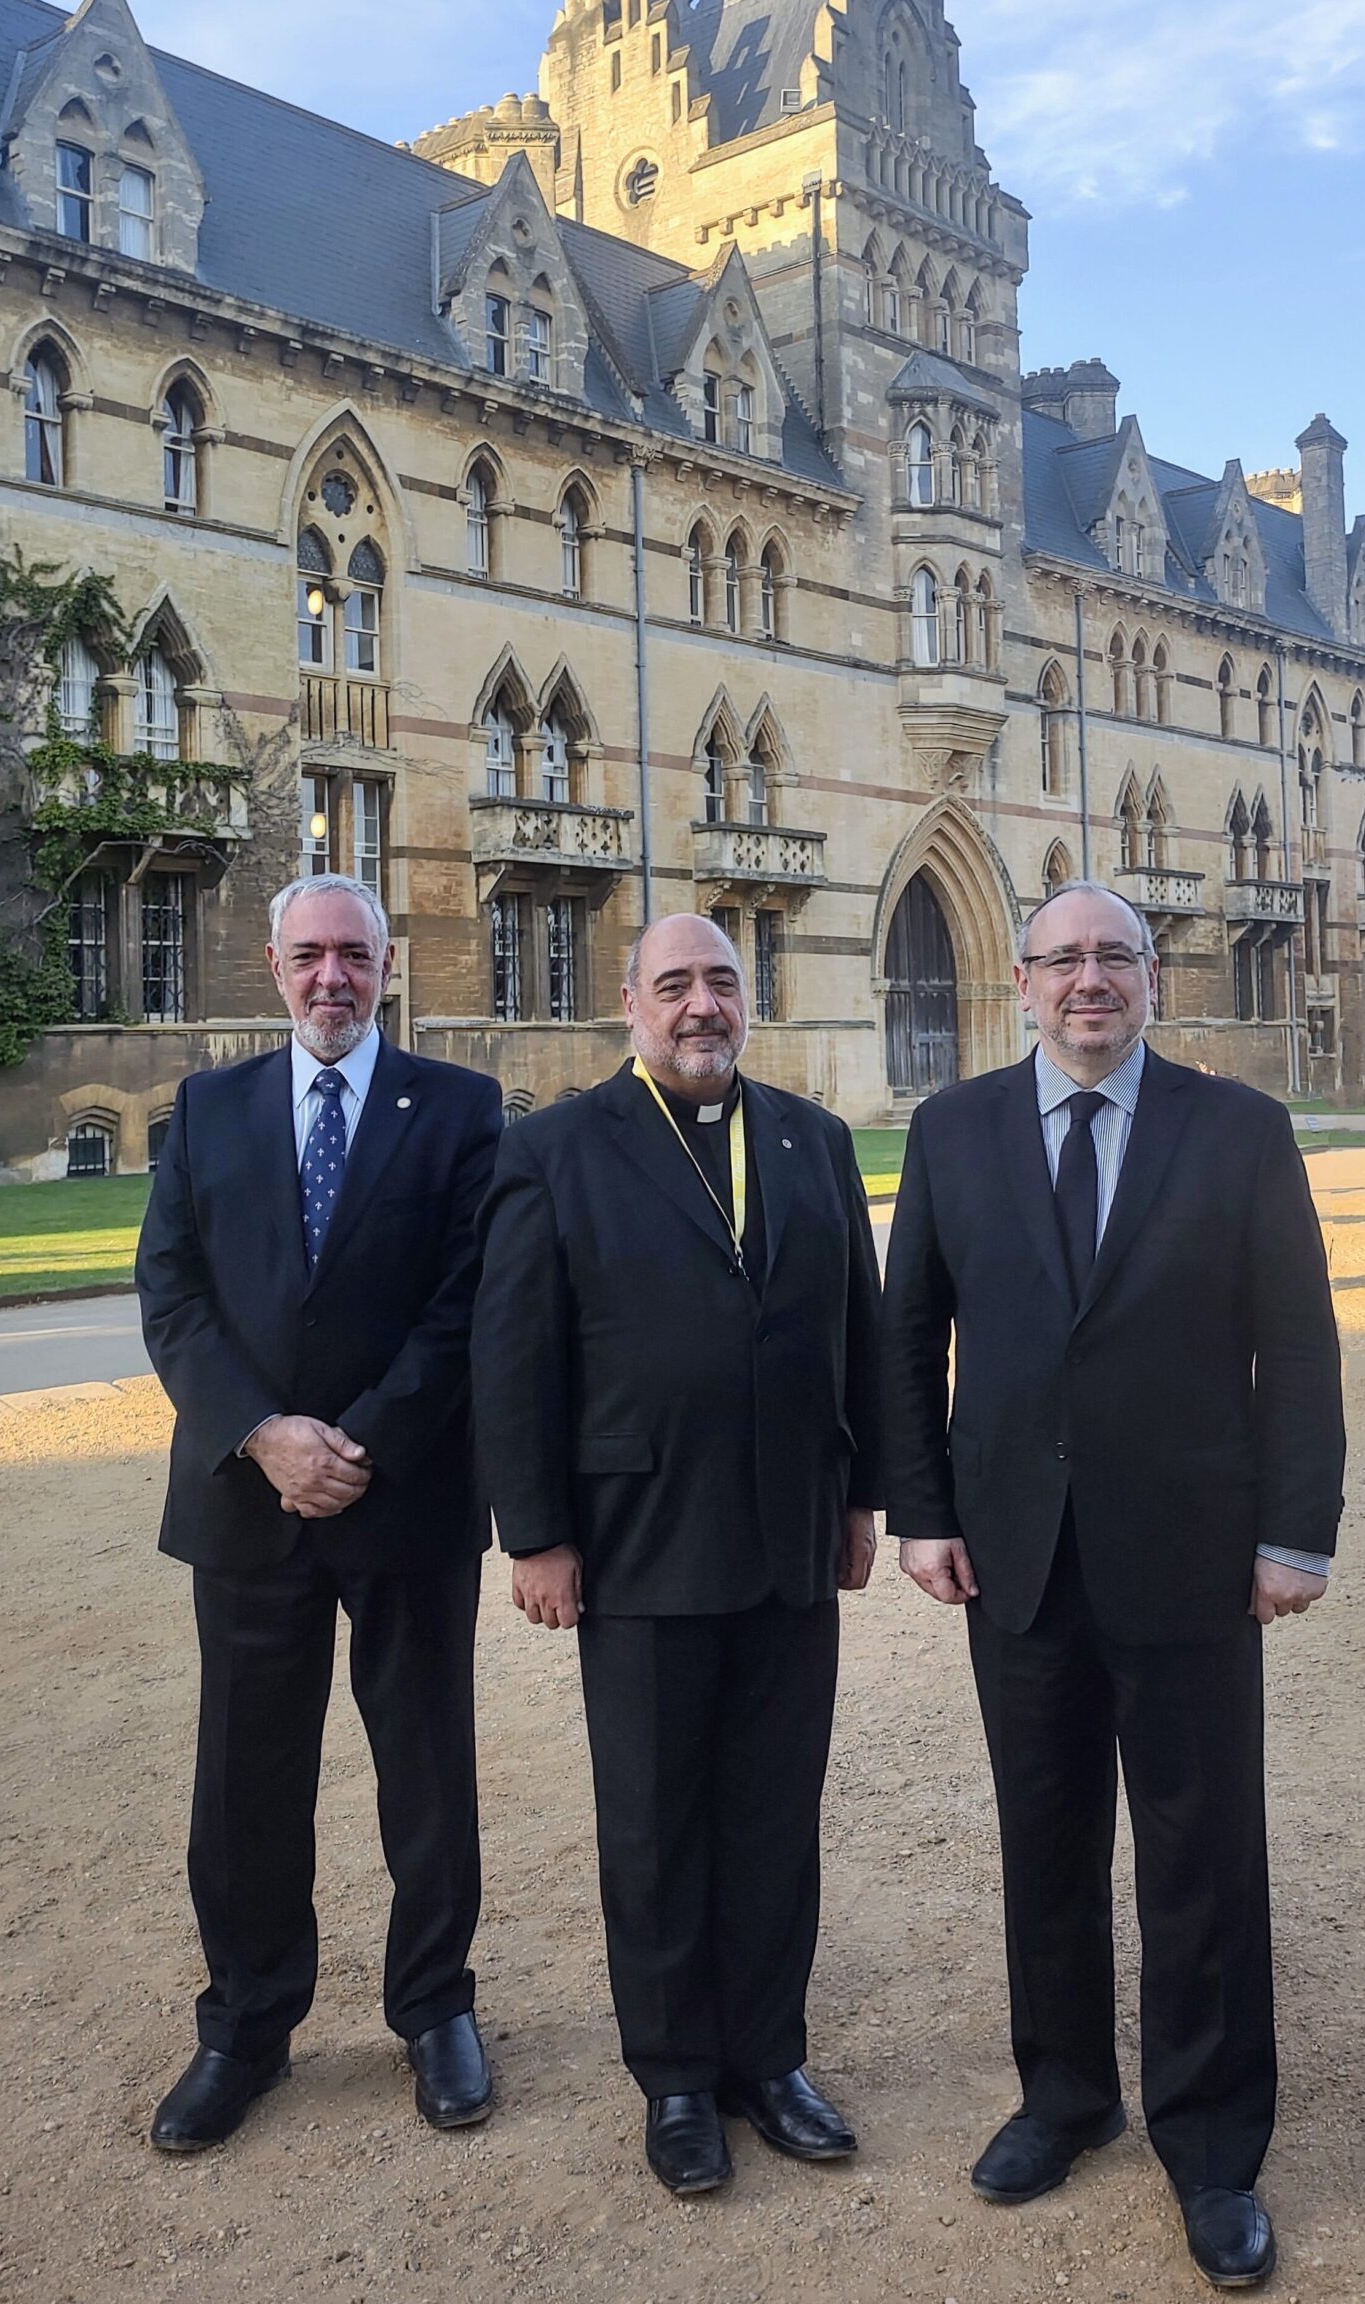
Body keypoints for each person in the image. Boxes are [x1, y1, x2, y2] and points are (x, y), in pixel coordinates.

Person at [882, 881, 1344, 2291]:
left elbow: (1301, 1352)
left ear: (1154, 979)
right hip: (1017, 1554)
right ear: (1021, 982)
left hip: (1193, 1558)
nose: (1090, 982)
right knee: (1047, 1843)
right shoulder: (953, 1131)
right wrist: (924, 1516)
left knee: (1203, 1860)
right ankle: (1065, 2095)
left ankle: (1210, 2145)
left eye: (1116, 959)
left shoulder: (1241, 1132)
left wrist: (1293, 1537)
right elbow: (907, 1346)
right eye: (1064, 960)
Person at [472, 912, 884, 2195]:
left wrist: (862, 1493)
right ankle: (676, 2080)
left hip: (785, 1537)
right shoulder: (551, 1149)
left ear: (745, 998)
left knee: (774, 1815)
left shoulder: (810, 1140)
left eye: (718, 981)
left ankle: (769, 2058)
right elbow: (513, 1355)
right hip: (637, 1543)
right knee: (653, 1824)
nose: (699, 1005)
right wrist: (534, 1533)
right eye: (673, 985)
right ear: (629, 1006)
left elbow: (856, 1331)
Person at [135, 873, 503, 2153]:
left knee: (426, 1767)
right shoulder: (207, 1105)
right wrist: (264, 1432)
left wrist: (360, 1442)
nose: (331, 976)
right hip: (247, 1498)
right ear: (273, 966)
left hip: (402, 1496)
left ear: (387, 966)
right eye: (308, 956)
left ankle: (435, 2008)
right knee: (245, 1775)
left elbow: (467, 1299)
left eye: (354, 954)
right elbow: (171, 1294)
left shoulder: (458, 1107)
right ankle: (244, 2022)